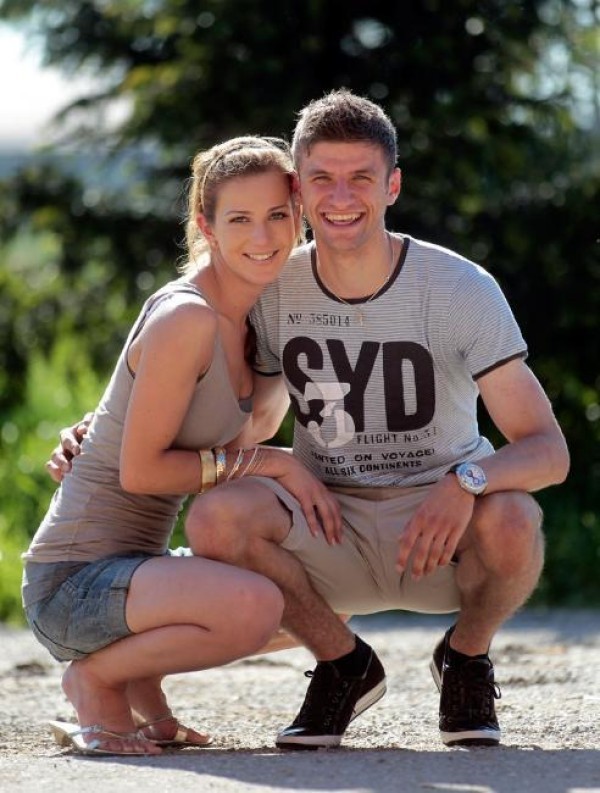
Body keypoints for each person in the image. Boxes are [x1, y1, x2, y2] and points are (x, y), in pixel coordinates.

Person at [50, 90, 570, 752]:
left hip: (438, 529)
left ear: (393, 185)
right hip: (329, 522)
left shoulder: (460, 287)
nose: (341, 196)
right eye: (322, 177)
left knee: (516, 515)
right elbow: (239, 410)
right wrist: (103, 432)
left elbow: (548, 450)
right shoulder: (273, 285)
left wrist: (466, 479)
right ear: (299, 188)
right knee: (219, 517)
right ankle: (342, 663)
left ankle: (466, 658)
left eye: (361, 178)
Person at [23, 135, 341, 756]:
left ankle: (145, 694)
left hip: (138, 575)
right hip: (73, 586)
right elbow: (141, 472)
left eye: (278, 215)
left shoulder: (259, 324)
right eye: (240, 219)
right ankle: (95, 680)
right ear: (206, 225)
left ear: (298, 218)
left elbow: (211, 431)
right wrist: (269, 463)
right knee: (255, 605)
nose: (263, 236)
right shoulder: (186, 317)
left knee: (331, 592)